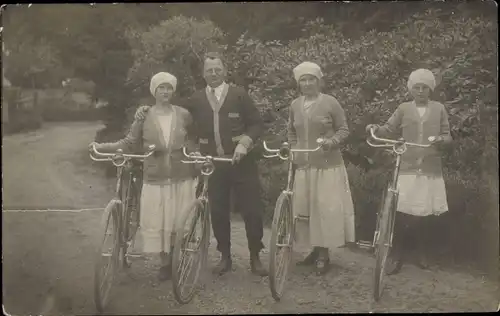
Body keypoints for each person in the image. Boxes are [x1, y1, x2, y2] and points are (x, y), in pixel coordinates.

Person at [135, 52, 268, 276]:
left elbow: (256, 124)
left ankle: (255, 256)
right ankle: (225, 257)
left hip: (241, 162)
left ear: (225, 71)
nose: (213, 74)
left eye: (217, 69)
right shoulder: (195, 100)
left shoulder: (239, 95)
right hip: (212, 164)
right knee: (217, 211)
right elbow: (172, 115)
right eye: (209, 70)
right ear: (203, 74)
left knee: (252, 210)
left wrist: (244, 143)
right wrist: (145, 110)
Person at [90, 72, 199, 281]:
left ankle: (178, 258)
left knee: (178, 220)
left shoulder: (184, 114)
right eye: (161, 88)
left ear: (173, 91)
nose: (165, 92)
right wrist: (101, 147)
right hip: (155, 178)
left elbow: (192, 140)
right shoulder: (144, 115)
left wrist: (195, 155)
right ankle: (166, 264)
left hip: (181, 175)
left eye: (169, 88)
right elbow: (128, 143)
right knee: (159, 221)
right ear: (154, 91)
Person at [365, 68, 452, 274]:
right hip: (407, 166)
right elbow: (388, 129)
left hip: (429, 166)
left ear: (430, 90)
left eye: (424, 88)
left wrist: (441, 140)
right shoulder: (403, 108)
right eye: (416, 87)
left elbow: (448, 136)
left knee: (423, 213)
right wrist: (374, 128)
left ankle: (422, 253)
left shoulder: (439, 109)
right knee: (402, 211)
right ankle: (397, 255)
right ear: (411, 89)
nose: (420, 91)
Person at [288, 61, 356, 275]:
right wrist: (293, 148)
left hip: (327, 166)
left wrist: (331, 142)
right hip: (304, 165)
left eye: (311, 80)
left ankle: (324, 255)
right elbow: (291, 131)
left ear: (319, 81)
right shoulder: (294, 105)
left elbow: (344, 129)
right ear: (298, 84)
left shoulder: (330, 102)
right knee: (306, 209)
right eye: (303, 80)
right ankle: (314, 250)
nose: (307, 84)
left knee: (324, 209)